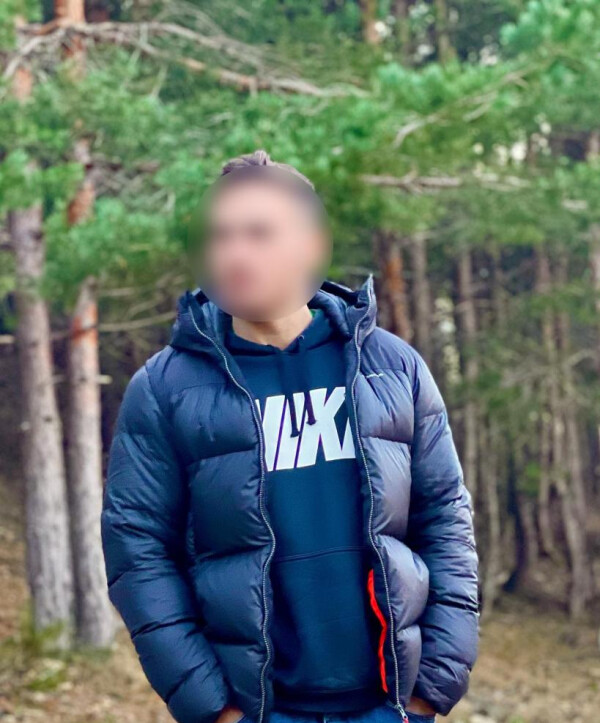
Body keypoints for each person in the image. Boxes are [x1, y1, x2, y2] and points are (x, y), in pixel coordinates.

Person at [101, 150, 480, 723]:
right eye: (220, 235)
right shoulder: (165, 388)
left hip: (391, 705)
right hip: (257, 711)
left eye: (258, 233)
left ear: (310, 244)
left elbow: (446, 517)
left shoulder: (392, 367)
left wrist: (432, 687)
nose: (234, 253)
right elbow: (138, 551)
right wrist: (213, 708)